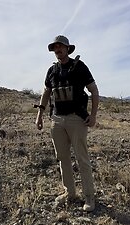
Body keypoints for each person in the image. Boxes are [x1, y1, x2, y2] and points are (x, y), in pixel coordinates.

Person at [35, 35, 100, 211]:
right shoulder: (52, 71)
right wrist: (39, 114)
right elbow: (47, 92)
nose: (58, 50)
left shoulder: (79, 67)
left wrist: (93, 116)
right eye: (55, 47)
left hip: (76, 120)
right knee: (62, 158)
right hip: (57, 120)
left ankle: (89, 197)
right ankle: (69, 193)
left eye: (61, 46)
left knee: (82, 158)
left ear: (68, 48)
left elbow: (94, 91)